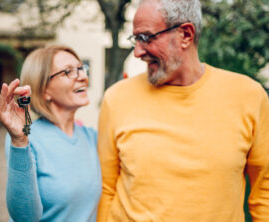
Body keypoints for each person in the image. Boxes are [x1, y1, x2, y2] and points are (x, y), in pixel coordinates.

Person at [97, 0, 269, 221]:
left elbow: (264, 190)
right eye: (135, 39)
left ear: (186, 35)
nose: (138, 51)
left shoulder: (249, 96)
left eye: (146, 37)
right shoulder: (116, 98)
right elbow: (105, 189)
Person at [0, 45, 101, 222]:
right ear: (44, 90)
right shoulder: (27, 138)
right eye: (68, 72)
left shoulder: (91, 137)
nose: (83, 76)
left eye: (81, 68)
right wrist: (19, 142)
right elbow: (25, 218)